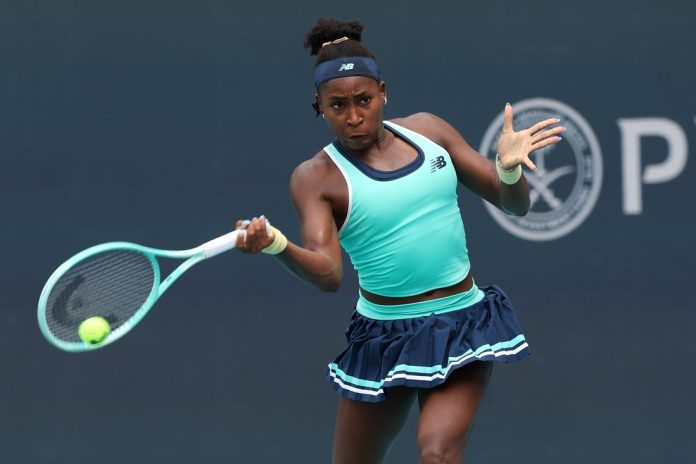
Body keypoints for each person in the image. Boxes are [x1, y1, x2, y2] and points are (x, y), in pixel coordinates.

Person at [234, 17, 564, 464]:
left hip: (460, 324)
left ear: (383, 92)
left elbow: (515, 205)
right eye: (337, 106)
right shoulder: (315, 178)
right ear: (319, 107)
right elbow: (329, 274)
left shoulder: (430, 132)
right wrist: (276, 244)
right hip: (382, 338)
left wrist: (507, 170)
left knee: (437, 453)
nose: (354, 117)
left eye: (364, 100)